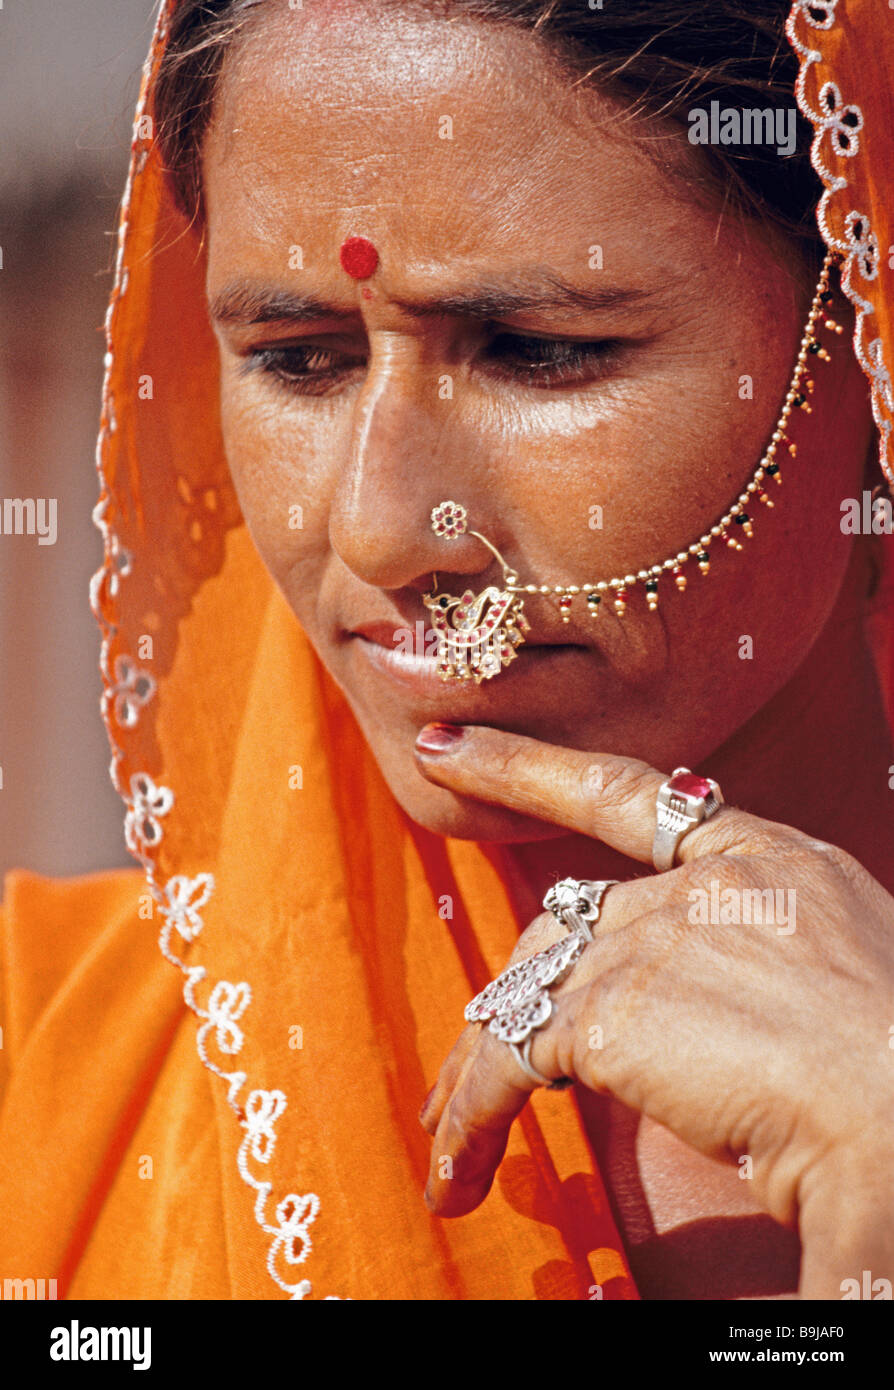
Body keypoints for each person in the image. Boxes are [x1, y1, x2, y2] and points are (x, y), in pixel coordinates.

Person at [1, 0, 893, 1301]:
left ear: (863, 325)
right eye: (297, 360)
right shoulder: (39, 1063)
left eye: (540, 353)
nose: (372, 527)